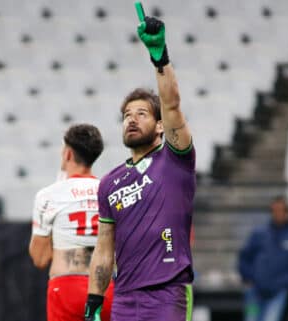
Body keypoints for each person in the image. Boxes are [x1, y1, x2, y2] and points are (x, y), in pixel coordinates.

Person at [84, 9, 196, 321]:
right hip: (124, 297)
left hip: (168, 291)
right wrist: (94, 299)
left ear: (161, 127)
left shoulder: (176, 160)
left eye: (142, 113)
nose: (132, 119)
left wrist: (159, 57)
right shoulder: (110, 182)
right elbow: (104, 248)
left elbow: (171, 104)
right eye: (127, 115)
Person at [29, 124, 114, 321]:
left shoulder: (49, 195)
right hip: (106, 288)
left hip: (66, 288)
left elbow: (40, 258)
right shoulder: (110, 191)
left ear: (67, 154)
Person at [237, 196, 288, 321]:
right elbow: (244, 257)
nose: (278, 213)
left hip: (278, 293)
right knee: (250, 318)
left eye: (281, 210)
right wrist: (249, 276)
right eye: (274, 210)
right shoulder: (259, 233)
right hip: (253, 293)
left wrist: (287, 283)